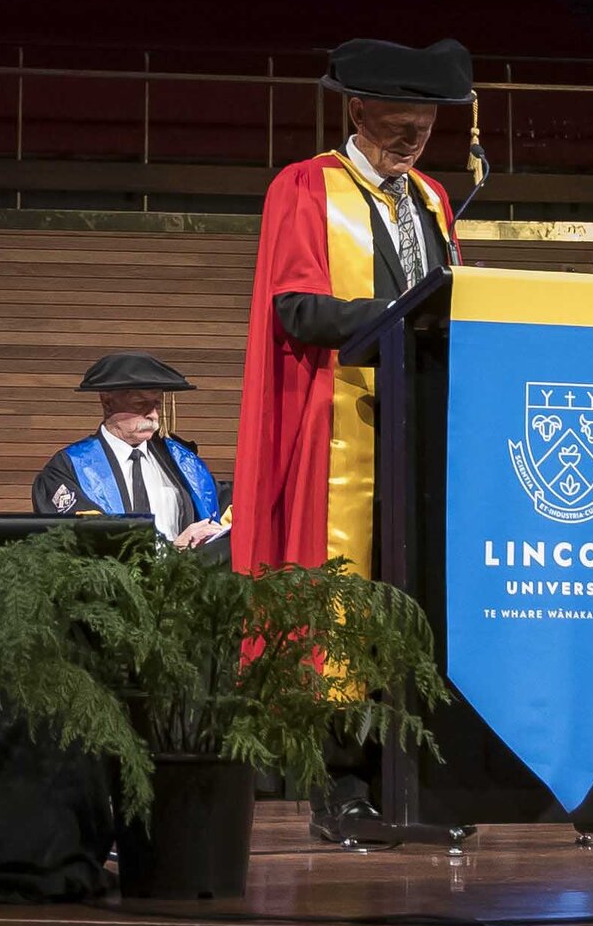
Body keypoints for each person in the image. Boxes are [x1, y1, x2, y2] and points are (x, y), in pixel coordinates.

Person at [235, 38, 467, 573]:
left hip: (423, 420)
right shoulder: (307, 186)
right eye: (398, 127)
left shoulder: (433, 197)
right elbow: (296, 309)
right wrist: (400, 317)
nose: (412, 142)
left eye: (425, 129)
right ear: (358, 112)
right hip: (341, 416)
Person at [32, 352, 229, 545]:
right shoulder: (69, 467)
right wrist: (171, 552)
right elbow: (85, 540)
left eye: (156, 405)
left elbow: (222, 508)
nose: (153, 415)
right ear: (107, 403)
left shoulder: (182, 461)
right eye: (140, 404)